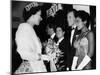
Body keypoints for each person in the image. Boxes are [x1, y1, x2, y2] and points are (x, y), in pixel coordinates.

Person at [15, 2, 48, 74]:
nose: (41, 18)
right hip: (30, 69)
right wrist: (42, 57)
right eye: (39, 15)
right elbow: (24, 53)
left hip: (35, 67)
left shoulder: (29, 29)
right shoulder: (24, 28)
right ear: (32, 15)